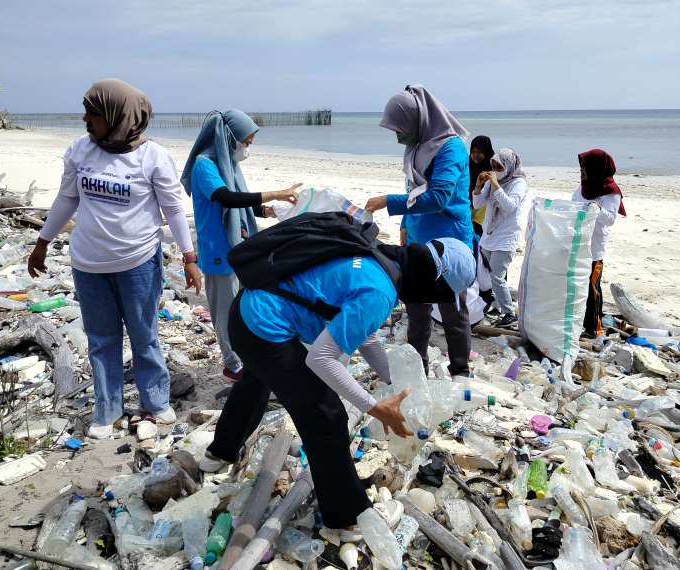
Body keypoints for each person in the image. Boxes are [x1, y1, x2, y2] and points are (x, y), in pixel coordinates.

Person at [201, 232, 476, 532]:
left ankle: (220, 452)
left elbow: (367, 339)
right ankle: (345, 516)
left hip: (248, 309)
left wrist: (398, 383)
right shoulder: (380, 291)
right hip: (261, 325)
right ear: (432, 282)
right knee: (325, 414)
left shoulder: (381, 259)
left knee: (258, 378)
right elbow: (319, 359)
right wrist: (374, 407)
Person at [28, 79, 202, 439]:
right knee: (102, 339)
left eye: (92, 113)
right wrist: (42, 241)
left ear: (116, 115)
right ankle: (107, 411)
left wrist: (188, 257)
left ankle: (155, 402)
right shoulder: (80, 150)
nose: (84, 119)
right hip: (88, 265)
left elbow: (172, 208)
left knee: (144, 335)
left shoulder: (152, 157)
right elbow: (66, 199)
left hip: (138, 262)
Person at [181, 110, 300, 381]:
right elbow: (226, 197)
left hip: (238, 247)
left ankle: (246, 358)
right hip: (218, 249)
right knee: (224, 312)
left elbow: (242, 202)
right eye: (245, 143)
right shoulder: (204, 164)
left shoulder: (227, 163)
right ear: (230, 137)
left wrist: (267, 210)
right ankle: (232, 365)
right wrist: (276, 191)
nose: (246, 149)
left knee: (243, 307)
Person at [364, 85, 473, 379]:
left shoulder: (451, 148)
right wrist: (404, 224)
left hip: (448, 242)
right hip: (418, 240)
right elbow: (412, 189)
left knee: (452, 312)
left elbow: (439, 196)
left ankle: (460, 371)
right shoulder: (416, 149)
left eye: (399, 129)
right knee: (417, 313)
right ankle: (417, 372)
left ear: (418, 120)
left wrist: (389, 203)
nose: (397, 136)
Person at [571, 148, 626, 338]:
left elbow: (610, 218)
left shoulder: (610, 191)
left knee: (592, 287)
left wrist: (595, 208)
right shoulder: (584, 186)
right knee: (577, 284)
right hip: (579, 242)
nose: (582, 171)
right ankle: (579, 322)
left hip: (594, 248)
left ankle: (594, 327)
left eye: (586, 167)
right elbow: (574, 204)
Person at [472, 148, 529, 328]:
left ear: (509, 166)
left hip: (506, 236)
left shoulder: (519, 183)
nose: (496, 169)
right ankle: (493, 306)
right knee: (484, 274)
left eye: (499, 166)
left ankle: (509, 313)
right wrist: (479, 186)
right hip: (489, 234)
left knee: (497, 275)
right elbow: (477, 204)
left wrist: (495, 184)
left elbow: (509, 206)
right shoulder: (493, 181)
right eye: (493, 166)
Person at [468, 135, 495, 239]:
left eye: (479, 152)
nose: (475, 155)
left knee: (481, 235)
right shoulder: (468, 165)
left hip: (485, 210)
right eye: (473, 152)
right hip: (469, 206)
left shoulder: (493, 167)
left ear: (486, 152)